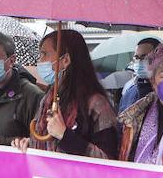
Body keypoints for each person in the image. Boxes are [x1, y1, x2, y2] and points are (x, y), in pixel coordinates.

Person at [10, 29, 119, 158]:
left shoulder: (97, 104)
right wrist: (31, 143)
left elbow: (107, 158)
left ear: (66, 60)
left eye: (44, 54)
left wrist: (65, 135)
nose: (40, 60)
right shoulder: (48, 99)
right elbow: (47, 142)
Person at [116, 36, 162, 112]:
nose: (140, 62)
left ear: (158, 58)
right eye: (137, 58)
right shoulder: (129, 92)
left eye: (144, 57)